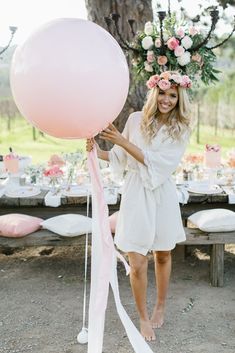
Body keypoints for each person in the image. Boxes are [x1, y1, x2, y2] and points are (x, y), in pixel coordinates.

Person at [86, 71, 192, 342]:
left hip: (161, 194)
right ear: (154, 92)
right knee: (137, 262)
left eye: (172, 96)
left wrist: (121, 140)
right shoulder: (135, 119)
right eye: (163, 93)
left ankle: (160, 304)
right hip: (135, 194)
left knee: (163, 254)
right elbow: (120, 157)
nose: (166, 100)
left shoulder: (181, 128)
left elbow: (158, 164)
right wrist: (97, 151)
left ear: (179, 100)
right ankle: (143, 317)